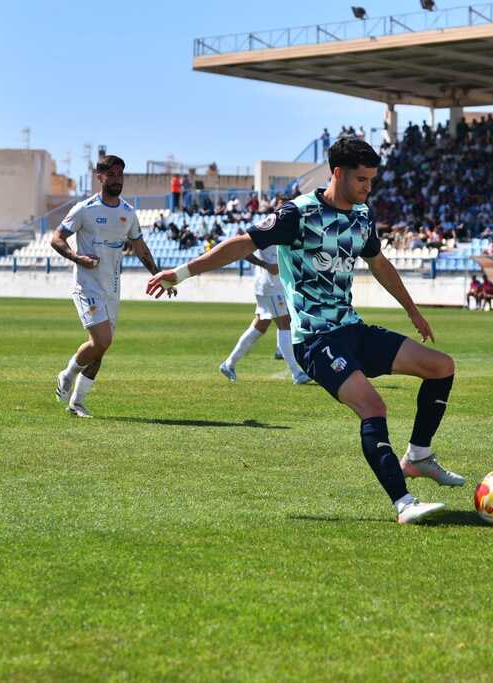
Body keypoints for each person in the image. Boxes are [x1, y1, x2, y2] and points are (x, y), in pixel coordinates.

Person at [147, 137, 463, 525]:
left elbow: (379, 263)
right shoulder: (297, 214)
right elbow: (241, 245)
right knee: (373, 407)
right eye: (362, 179)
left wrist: (412, 311)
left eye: (371, 180)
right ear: (337, 173)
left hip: (352, 329)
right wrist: (181, 272)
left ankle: (418, 456)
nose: (368, 187)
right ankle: (404, 503)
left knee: (441, 367)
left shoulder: (361, 216)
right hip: (315, 340)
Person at [51, 155, 174, 418]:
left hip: (112, 288)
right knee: (102, 340)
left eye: (121, 175)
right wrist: (77, 257)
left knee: (101, 347)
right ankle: (67, 374)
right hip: (87, 286)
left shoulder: (127, 213)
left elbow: (141, 248)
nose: (118, 180)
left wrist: (159, 275)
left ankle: (77, 402)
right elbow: (57, 238)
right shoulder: (85, 209)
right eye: (112, 175)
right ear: (100, 177)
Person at [219, 240, 311, 385]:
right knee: (285, 323)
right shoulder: (265, 230)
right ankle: (296, 373)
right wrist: (265, 265)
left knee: (260, 326)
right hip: (270, 286)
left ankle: (228, 364)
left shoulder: (285, 230)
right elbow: (243, 249)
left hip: (276, 285)